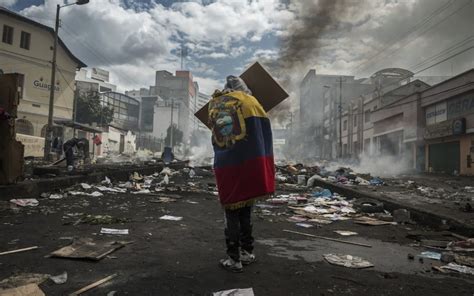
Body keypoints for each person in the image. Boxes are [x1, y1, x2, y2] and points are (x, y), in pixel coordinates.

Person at [208, 76, 275, 273]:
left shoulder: (218, 103)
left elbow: (217, 135)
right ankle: (247, 252)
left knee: (231, 212)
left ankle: (233, 258)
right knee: (246, 210)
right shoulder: (253, 103)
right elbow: (264, 137)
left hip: (230, 166)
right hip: (252, 165)